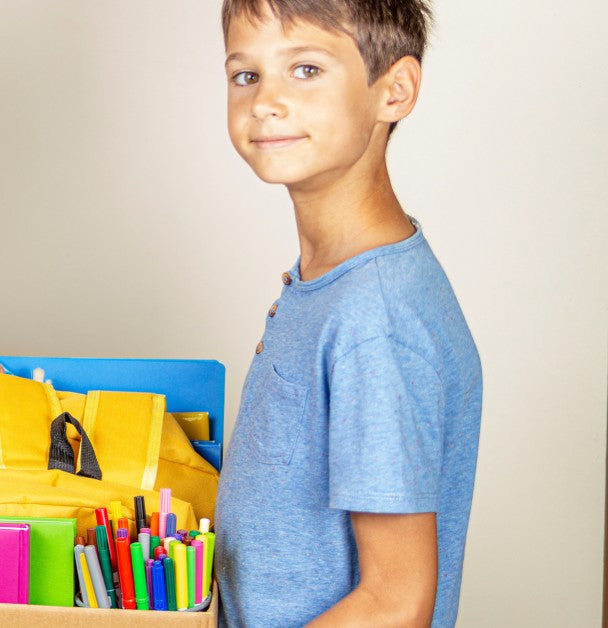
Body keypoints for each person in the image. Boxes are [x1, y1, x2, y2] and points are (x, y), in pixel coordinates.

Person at [212, 1, 482, 626]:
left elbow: (397, 602)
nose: (265, 102)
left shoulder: (373, 319)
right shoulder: (331, 279)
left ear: (395, 90)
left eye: (305, 69)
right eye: (245, 75)